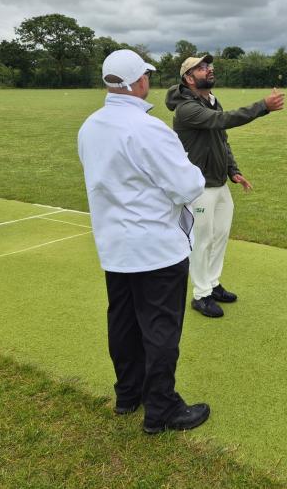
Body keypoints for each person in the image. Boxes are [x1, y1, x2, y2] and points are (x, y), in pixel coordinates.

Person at [78, 49, 210, 435]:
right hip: (155, 247)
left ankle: (128, 394)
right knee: (160, 329)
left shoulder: (90, 126)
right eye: (146, 76)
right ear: (139, 81)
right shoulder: (148, 128)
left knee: (123, 322)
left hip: (114, 245)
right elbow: (188, 185)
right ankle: (161, 409)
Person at [165, 55, 285, 318]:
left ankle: (213, 283)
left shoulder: (211, 100)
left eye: (209, 66)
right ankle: (201, 295)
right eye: (201, 68)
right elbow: (222, 120)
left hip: (219, 183)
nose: (209, 69)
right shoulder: (186, 108)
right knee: (201, 241)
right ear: (188, 78)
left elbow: (221, 139)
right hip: (198, 188)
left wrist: (233, 170)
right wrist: (263, 106)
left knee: (219, 236)